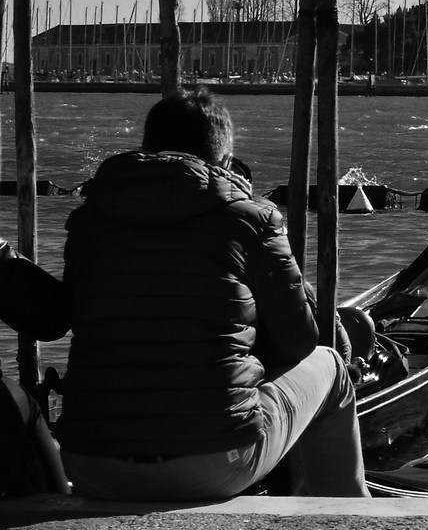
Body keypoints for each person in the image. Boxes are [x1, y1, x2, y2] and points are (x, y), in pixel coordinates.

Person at [0, 91, 367, 499]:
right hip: (214, 463)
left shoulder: (89, 218)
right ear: (226, 160)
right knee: (331, 365)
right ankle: (349, 512)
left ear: (145, 148)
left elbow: (66, 315)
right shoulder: (253, 218)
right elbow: (298, 343)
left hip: (90, 463)